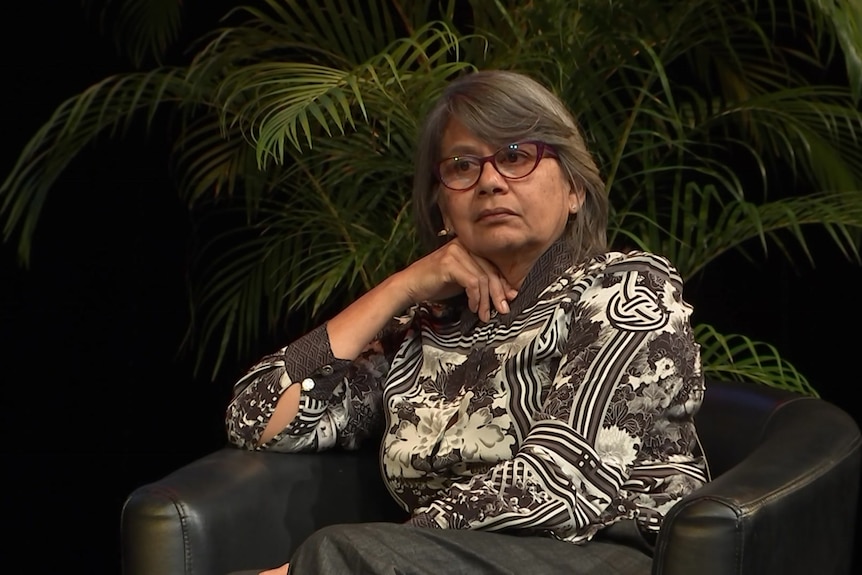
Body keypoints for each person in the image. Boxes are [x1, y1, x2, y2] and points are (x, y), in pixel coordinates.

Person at [225, 69, 708, 575]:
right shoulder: (421, 330)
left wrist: (355, 561)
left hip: (603, 553)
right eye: (462, 166)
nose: (491, 181)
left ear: (574, 191)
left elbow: (562, 485)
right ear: (442, 206)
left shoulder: (626, 290)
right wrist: (400, 288)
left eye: (517, 156)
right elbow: (257, 420)